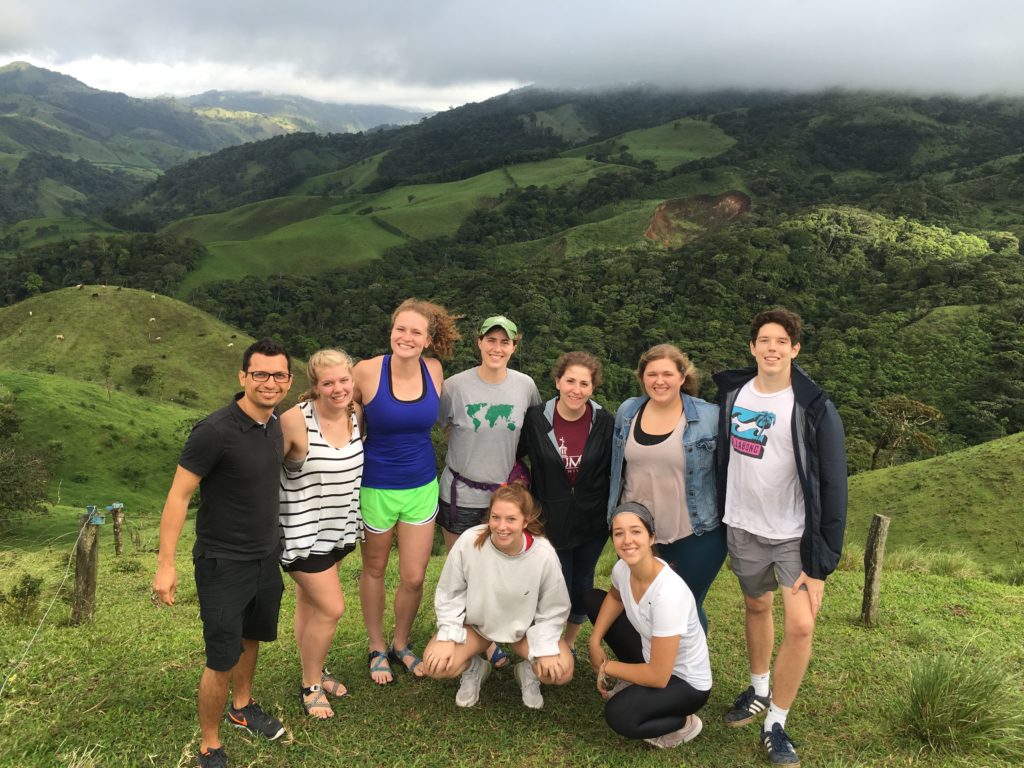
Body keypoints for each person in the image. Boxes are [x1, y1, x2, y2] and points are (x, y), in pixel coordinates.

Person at [714, 308, 847, 767]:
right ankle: (757, 687)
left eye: (781, 341)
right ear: (752, 348)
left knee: (802, 625)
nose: (771, 348)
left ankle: (777, 721)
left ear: (795, 349)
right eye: (763, 340)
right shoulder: (733, 394)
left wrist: (822, 563)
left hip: (793, 534)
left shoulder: (812, 406)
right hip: (743, 524)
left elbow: (833, 485)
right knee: (755, 605)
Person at [152, 338, 293, 768]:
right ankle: (209, 745)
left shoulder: (275, 425)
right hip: (223, 561)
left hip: (266, 554)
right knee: (221, 656)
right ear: (242, 377)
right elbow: (179, 496)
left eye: (279, 375)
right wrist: (165, 564)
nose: (270, 383)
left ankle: (242, 707)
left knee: (252, 635)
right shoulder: (213, 432)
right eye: (260, 374)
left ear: (288, 380)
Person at [353, 298, 461, 686]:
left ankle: (401, 642)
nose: (407, 337)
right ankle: (376, 645)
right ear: (391, 331)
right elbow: (345, 425)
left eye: (416, 332)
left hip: (420, 486)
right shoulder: (366, 372)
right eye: (401, 329)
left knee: (414, 576)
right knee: (375, 569)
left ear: (428, 339)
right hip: (376, 486)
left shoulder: (434, 370)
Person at [437, 313, 541, 667]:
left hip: (504, 500)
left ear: (514, 345)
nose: (497, 347)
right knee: (462, 573)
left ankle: (493, 637)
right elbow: (435, 423)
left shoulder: (525, 386)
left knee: (500, 574)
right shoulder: (454, 386)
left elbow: (531, 436)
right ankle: (474, 645)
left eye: (505, 341)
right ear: (479, 342)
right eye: (491, 340)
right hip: (460, 493)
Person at [607, 343, 726, 633]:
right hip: (639, 533)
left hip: (695, 531)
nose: (659, 381)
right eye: (652, 374)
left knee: (685, 605)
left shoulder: (710, 416)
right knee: (644, 604)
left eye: (667, 374)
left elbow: (728, 471)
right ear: (642, 377)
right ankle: (651, 669)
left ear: (682, 377)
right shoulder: (627, 412)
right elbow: (618, 470)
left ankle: (691, 676)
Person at [421, 483, 574, 709]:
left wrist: (545, 649)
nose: (502, 526)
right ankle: (474, 668)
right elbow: (449, 593)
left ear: (526, 521)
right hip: (478, 627)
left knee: (562, 671)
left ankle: (528, 670)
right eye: (496, 517)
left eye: (511, 519)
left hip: (525, 631)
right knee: (436, 665)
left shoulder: (543, 554)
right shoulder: (469, 541)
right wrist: (448, 636)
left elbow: (554, 609)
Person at [279, 348, 364, 718]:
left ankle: (313, 668)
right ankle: (311, 685)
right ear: (314, 387)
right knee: (332, 607)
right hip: (300, 534)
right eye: (328, 383)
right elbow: (264, 472)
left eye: (344, 380)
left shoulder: (355, 414)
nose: (338, 388)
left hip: (338, 530)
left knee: (310, 604)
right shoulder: (293, 422)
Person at [587, 502, 712, 749]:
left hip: (683, 682)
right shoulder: (623, 568)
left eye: (635, 531)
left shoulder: (668, 595)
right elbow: (614, 597)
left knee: (619, 715)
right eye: (618, 533)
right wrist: (594, 641)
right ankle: (637, 685)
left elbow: (658, 675)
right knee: (592, 599)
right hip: (651, 655)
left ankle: (683, 722)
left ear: (651, 536)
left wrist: (606, 667)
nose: (627, 540)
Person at [520, 351, 612, 652]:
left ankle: (568, 642)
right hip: (549, 517)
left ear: (592, 388)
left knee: (582, 583)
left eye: (584, 383)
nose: (576, 389)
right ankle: (548, 638)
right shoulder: (535, 418)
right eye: (570, 381)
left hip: (592, 518)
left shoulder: (604, 421)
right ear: (557, 381)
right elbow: (516, 455)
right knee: (553, 583)